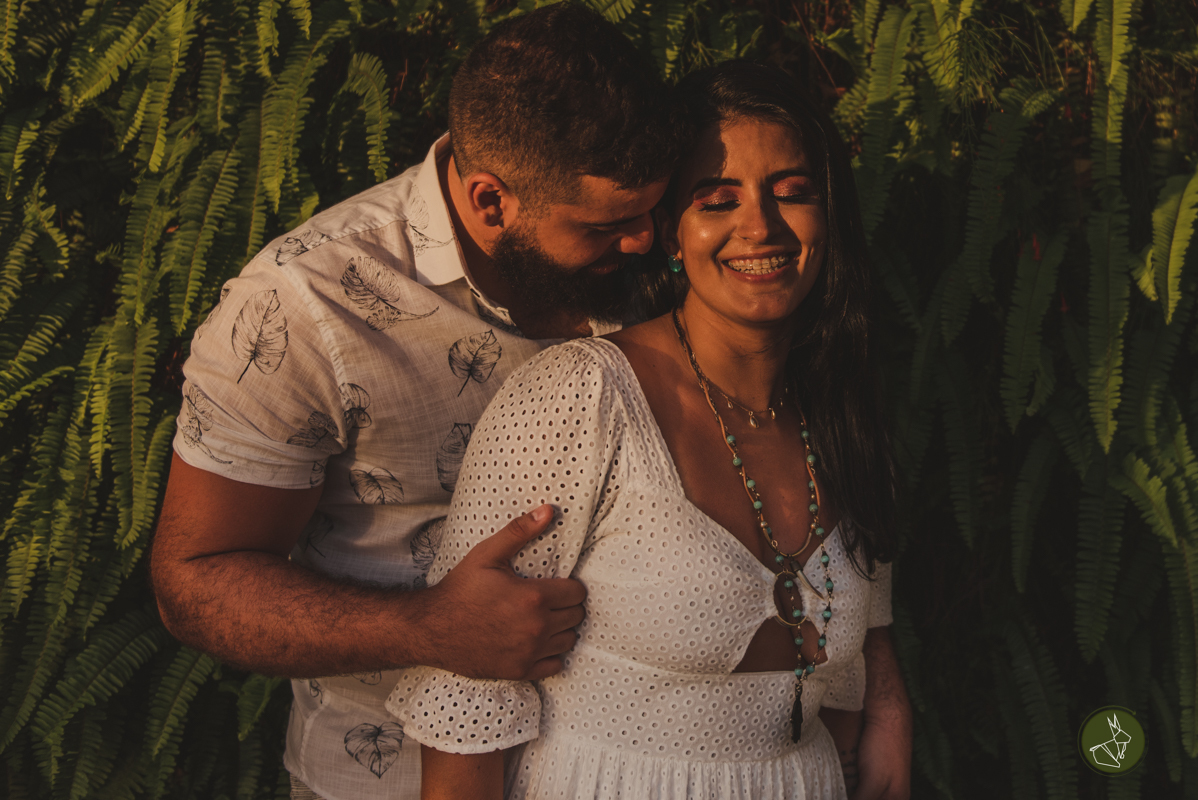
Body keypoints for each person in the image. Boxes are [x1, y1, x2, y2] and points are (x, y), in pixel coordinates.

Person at [149, 5, 684, 799]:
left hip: (636, 768)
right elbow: (193, 582)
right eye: (608, 225)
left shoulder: (664, 260)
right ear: (492, 201)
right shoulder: (306, 306)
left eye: (652, 210)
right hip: (388, 778)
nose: (647, 241)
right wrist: (430, 629)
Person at [385, 61, 913, 799]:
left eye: (792, 192)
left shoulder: (842, 411)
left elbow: (861, 639)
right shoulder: (582, 399)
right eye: (717, 200)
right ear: (670, 235)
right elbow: (466, 701)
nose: (758, 226)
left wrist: (888, 706)